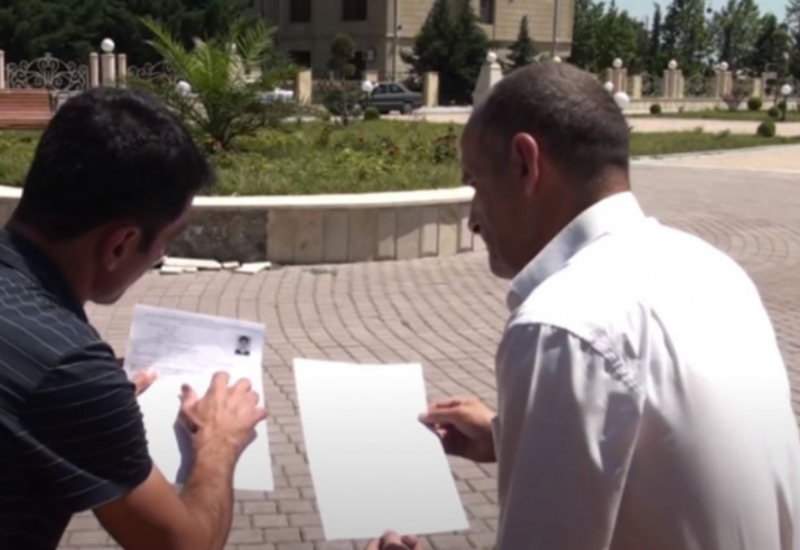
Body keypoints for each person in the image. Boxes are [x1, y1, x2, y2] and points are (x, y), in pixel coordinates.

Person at [397, 62, 800, 549]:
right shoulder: (712, 270)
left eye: (476, 184)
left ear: (525, 163)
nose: (473, 220)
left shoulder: (563, 325)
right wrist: (506, 438)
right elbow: (669, 450)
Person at [0, 88, 267, 550]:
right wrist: (219, 443)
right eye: (167, 240)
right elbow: (185, 545)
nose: (161, 254)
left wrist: (86, 407)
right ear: (120, 244)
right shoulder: (69, 367)